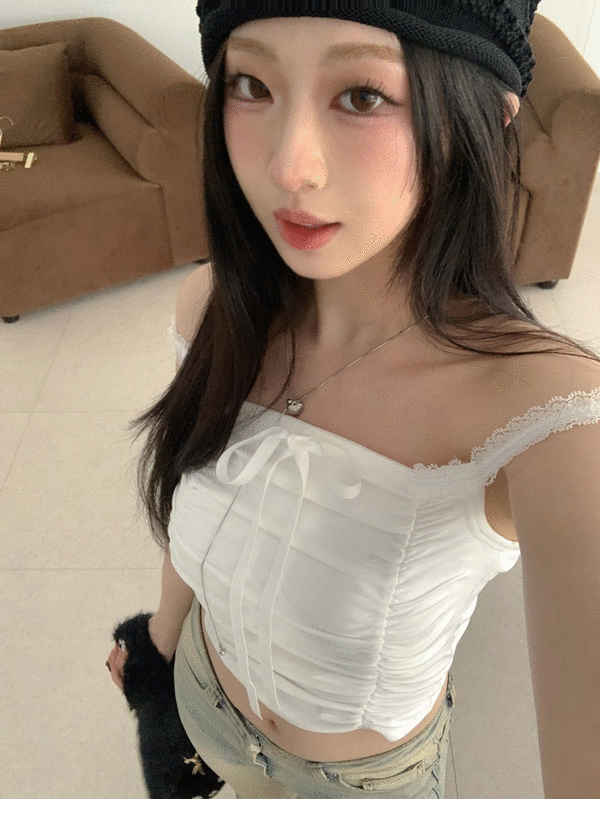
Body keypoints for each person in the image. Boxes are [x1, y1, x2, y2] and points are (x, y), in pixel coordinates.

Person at [108, 1, 600, 799]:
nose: (288, 167)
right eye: (251, 85)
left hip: (363, 779)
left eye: (363, 95)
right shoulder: (213, 307)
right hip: (208, 705)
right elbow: (198, 489)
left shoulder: (551, 419)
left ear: (485, 116)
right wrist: (159, 648)